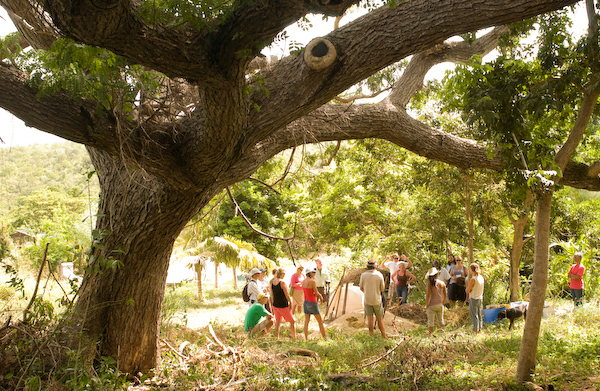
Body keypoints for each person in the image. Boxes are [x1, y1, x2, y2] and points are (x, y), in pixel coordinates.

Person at [359, 259, 387, 338]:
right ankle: (383, 335)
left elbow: (361, 287)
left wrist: (367, 292)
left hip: (367, 299)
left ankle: (371, 336)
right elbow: (382, 288)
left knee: (370, 319)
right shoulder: (379, 275)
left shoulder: (363, 275)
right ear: (376, 266)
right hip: (377, 299)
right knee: (380, 319)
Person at [269, 268, 296, 339]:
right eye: (283, 274)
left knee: (278, 322)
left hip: (275, 305)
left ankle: (276, 337)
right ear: (281, 274)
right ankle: (294, 337)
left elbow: (272, 295)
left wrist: (272, 304)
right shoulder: (282, 282)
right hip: (283, 305)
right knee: (292, 321)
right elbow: (287, 294)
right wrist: (290, 301)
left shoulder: (272, 283)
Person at [301, 268, 327, 340]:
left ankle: (306, 338)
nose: (314, 274)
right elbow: (315, 292)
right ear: (310, 273)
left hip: (306, 302)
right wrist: (319, 295)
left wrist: (319, 295)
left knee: (306, 321)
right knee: (320, 321)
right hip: (312, 302)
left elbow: (309, 291)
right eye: (313, 273)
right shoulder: (312, 282)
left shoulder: (303, 281)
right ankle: (324, 337)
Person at [425, 267, 447, 334]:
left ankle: (430, 336)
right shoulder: (442, 283)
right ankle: (442, 334)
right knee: (441, 321)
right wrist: (442, 302)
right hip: (439, 304)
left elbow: (428, 295)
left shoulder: (429, 284)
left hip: (431, 305)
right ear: (437, 275)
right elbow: (445, 294)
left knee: (431, 322)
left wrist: (426, 304)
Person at [465, 262, 484, 333]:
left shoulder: (473, 279)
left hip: (473, 298)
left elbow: (468, 290)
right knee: (479, 314)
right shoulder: (481, 278)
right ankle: (480, 329)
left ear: (472, 270)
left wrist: (466, 287)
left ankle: (476, 330)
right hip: (480, 297)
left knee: (474, 315)